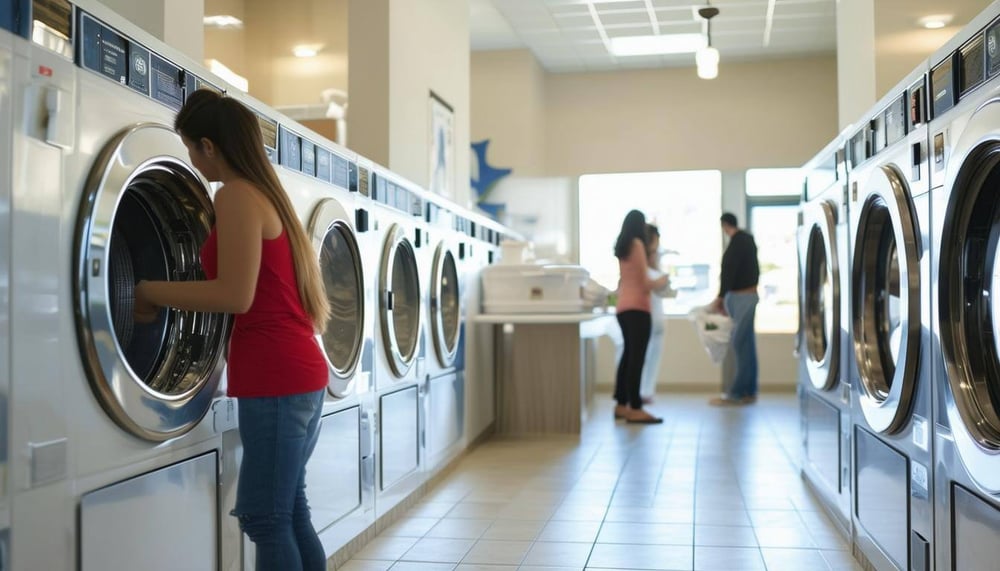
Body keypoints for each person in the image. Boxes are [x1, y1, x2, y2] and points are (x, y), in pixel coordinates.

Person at [133, 89, 331, 570]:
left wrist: (147, 290)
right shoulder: (264, 194)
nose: (191, 160)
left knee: (266, 518)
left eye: (188, 148)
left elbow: (234, 295)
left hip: (278, 379)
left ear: (209, 145)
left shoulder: (237, 195)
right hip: (296, 374)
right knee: (289, 512)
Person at [613, 210, 669, 424]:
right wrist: (661, 281)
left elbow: (626, 280)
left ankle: (620, 405)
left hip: (623, 307)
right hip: (638, 308)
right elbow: (645, 283)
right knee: (637, 360)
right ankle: (635, 407)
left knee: (627, 358)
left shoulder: (623, 249)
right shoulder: (637, 245)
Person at [710, 212, 760, 406]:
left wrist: (721, 297)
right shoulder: (746, 240)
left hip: (742, 297)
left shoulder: (738, 242)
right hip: (746, 296)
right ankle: (748, 391)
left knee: (739, 344)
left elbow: (729, 270)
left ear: (724, 225)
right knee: (746, 344)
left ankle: (737, 392)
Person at [640, 224, 671, 403]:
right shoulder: (640, 261)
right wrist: (660, 280)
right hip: (647, 314)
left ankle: (647, 392)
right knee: (644, 357)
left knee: (653, 356)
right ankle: (642, 392)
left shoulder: (653, 261)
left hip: (656, 315)